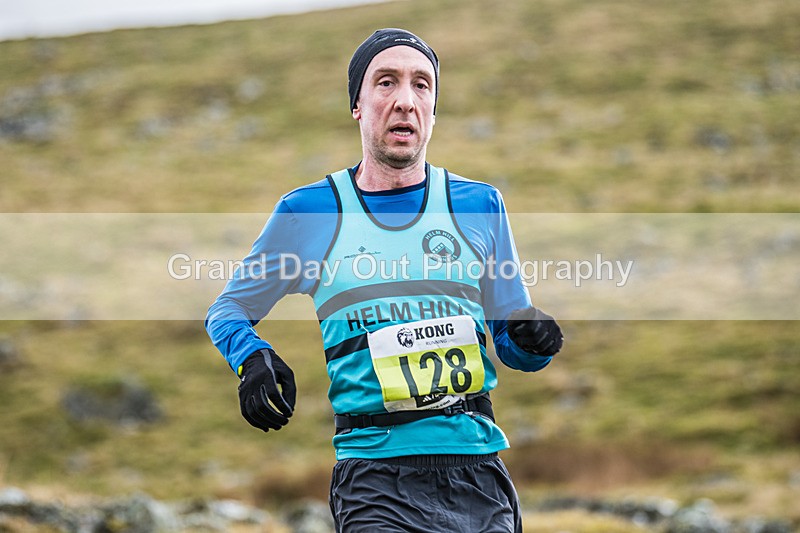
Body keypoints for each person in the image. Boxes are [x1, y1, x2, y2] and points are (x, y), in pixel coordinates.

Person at [205, 28, 563, 532]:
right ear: (357, 104)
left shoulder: (479, 204)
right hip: (374, 478)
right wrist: (252, 357)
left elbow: (512, 342)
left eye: (421, 85)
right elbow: (228, 310)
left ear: (433, 110)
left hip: (478, 474)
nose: (405, 100)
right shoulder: (310, 212)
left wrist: (533, 338)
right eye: (386, 82)